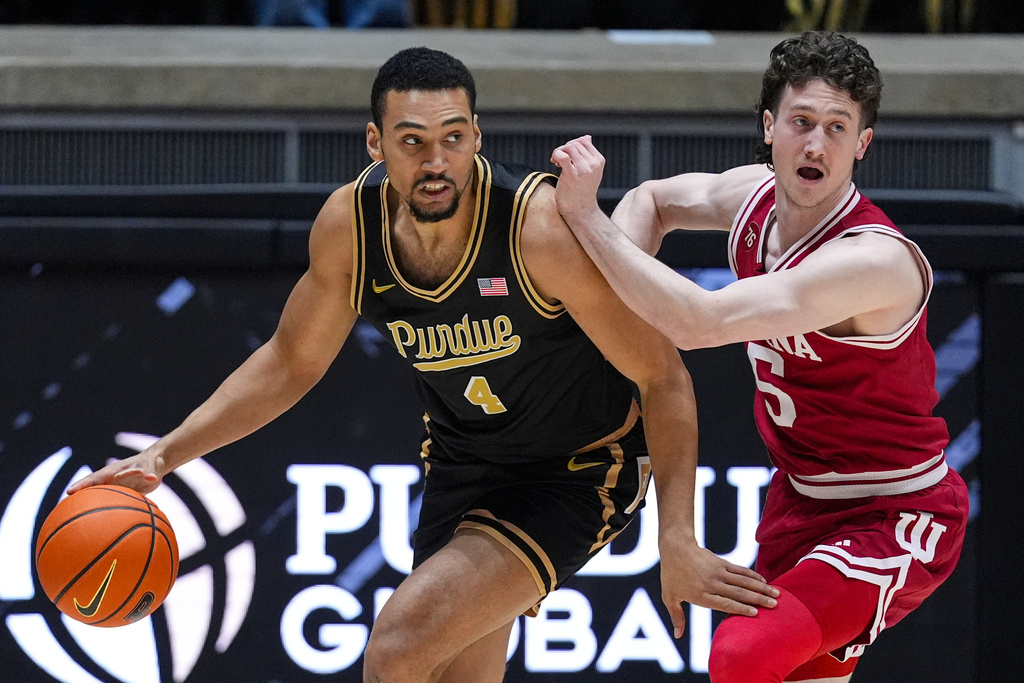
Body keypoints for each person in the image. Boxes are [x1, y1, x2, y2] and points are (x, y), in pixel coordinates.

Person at [68, 47, 777, 682]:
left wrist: (677, 535)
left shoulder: (535, 230)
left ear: (477, 136)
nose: (436, 162)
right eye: (412, 142)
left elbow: (663, 376)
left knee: (399, 645)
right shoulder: (351, 225)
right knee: (446, 672)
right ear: (377, 143)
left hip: (579, 468)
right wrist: (165, 456)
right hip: (464, 462)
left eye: (453, 139)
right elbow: (289, 362)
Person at [552, 30, 968, 683]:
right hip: (799, 501)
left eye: (838, 127)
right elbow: (653, 200)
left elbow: (698, 321)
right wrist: (610, 314)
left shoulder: (871, 260)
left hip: (894, 512)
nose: (816, 143)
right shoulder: (752, 202)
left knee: (742, 654)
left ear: (862, 144)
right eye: (802, 122)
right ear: (770, 127)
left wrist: (584, 218)